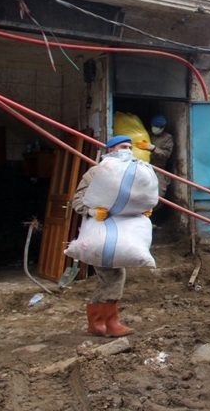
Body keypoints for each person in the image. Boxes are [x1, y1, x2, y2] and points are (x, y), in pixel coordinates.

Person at [72, 135, 136, 338]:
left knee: (107, 276)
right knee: (113, 274)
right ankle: (111, 323)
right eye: (123, 147)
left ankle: (96, 323)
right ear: (110, 150)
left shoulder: (130, 173)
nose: (128, 150)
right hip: (100, 233)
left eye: (130, 147)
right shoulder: (95, 173)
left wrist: (141, 210)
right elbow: (77, 201)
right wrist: (91, 212)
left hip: (120, 232)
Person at [135, 114, 174, 201]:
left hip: (158, 168)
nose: (158, 128)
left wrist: (153, 148)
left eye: (161, 127)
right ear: (151, 125)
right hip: (143, 167)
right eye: (156, 126)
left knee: (159, 193)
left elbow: (166, 155)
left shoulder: (167, 138)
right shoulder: (145, 134)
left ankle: (154, 211)